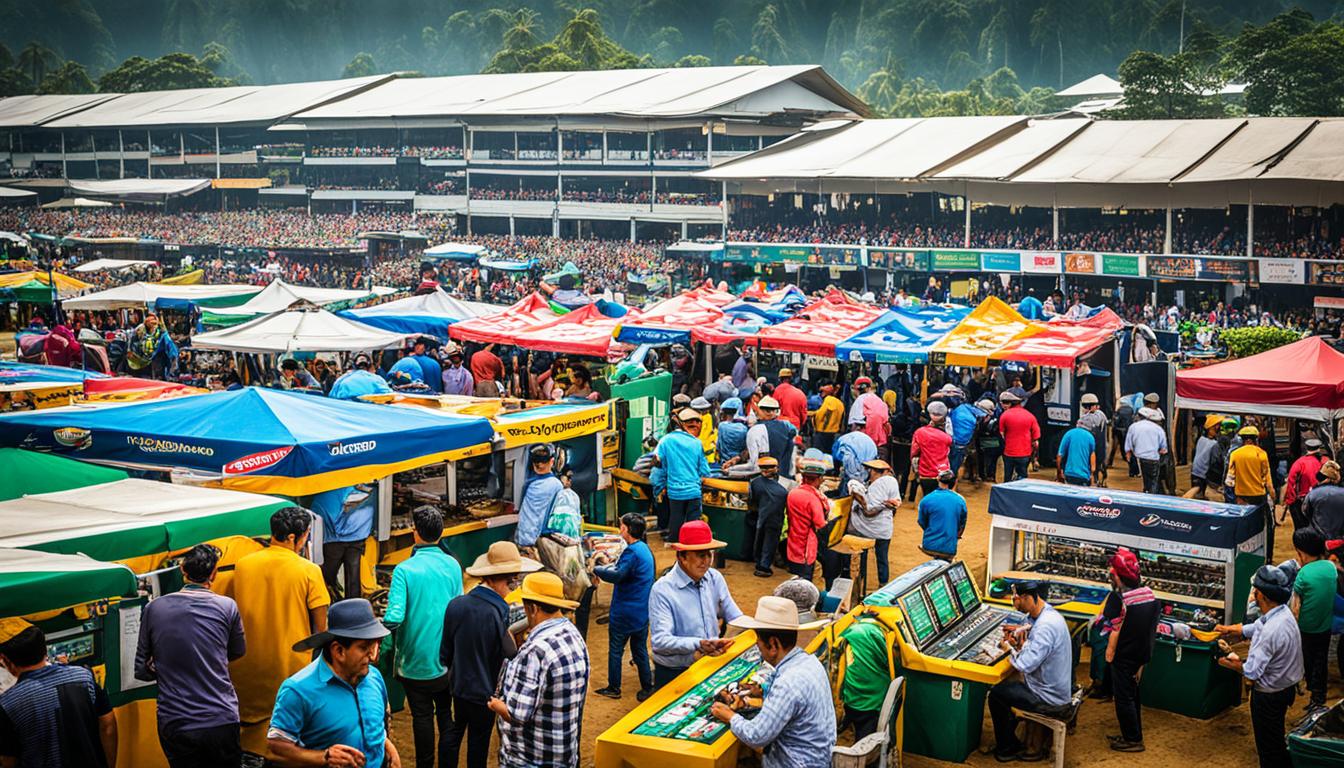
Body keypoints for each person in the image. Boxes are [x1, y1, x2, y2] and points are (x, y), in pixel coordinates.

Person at [135, 544, 246, 768]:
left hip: (176, 721)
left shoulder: (154, 608)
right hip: (221, 718)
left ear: (182, 571)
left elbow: (141, 670)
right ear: (214, 574)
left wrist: (167, 667)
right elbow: (237, 651)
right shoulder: (227, 607)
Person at [223, 506, 330, 728]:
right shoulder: (309, 570)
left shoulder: (244, 565)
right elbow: (321, 629)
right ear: (293, 538)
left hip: (244, 666)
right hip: (290, 667)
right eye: (306, 535)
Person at [441, 543, 542, 768]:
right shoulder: (497, 611)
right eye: (510, 581)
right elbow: (510, 653)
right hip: (486, 692)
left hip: (459, 686)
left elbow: (445, 653)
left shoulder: (456, 604)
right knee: (478, 743)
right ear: (496, 579)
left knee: (454, 731)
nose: (511, 587)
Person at [267, 598, 400, 768]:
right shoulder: (298, 690)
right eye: (364, 647)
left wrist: (387, 746)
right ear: (339, 651)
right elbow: (275, 749)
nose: (373, 656)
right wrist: (324, 757)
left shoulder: (374, 677)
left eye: (375, 646)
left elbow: (375, 724)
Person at [709, 597, 835, 768]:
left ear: (773, 644)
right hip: (817, 758)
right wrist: (747, 702)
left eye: (759, 641)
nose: (757, 647)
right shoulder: (809, 661)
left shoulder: (788, 682)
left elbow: (757, 736)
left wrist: (729, 716)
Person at [384, 507, 463, 768]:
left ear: (415, 533)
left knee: (422, 716)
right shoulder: (452, 565)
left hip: (414, 661)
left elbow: (394, 617)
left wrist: (380, 637)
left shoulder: (404, 570)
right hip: (447, 660)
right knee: (445, 713)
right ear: (440, 534)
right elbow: (458, 607)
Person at [488, 572, 589, 768]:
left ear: (533, 608)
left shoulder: (534, 651)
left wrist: (495, 704)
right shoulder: (572, 634)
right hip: (564, 753)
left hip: (532, 758)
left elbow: (517, 714)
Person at [1214, 566, 1302, 768]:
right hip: (1286, 688)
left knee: (1269, 748)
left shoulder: (1270, 632)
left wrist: (1230, 661)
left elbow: (1252, 672)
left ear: (1259, 594)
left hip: (1270, 696)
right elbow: (1258, 625)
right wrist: (1231, 629)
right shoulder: (1283, 613)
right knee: (1276, 739)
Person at [0, 621, 117, 768]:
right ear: (45, 650)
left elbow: (8, 760)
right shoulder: (85, 678)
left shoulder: (8, 704)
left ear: (6, 661)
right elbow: (108, 725)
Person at [648, 520, 743, 687]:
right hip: (675, 672)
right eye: (701, 555)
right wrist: (699, 644)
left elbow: (735, 617)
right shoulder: (663, 590)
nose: (706, 561)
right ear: (682, 557)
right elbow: (660, 641)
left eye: (709, 554)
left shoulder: (714, 578)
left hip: (708, 665)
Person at [987, 581, 1074, 762]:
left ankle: (1007, 748)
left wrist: (1007, 648)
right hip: (1053, 687)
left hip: (1048, 697)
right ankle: (1013, 738)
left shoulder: (1045, 627)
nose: (1015, 604)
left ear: (1027, 598)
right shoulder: (1047, 615)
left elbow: (1023, 665)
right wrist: (1020, 643)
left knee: (996, 694)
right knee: (1009, 686)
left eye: (1017, 600)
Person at [592, 513, 656, 701]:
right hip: (641, 612)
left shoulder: (632, 552)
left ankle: (614, 687)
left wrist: (596, 569)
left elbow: (618, 575)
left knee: (616, 650)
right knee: (639, 649)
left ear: (626, 529)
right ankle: (647, 685)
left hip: (625, 612)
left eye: (621, 526)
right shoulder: (643, 548)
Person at [1104, 549, 1159, 753]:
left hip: (1123, 655)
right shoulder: (1149, 596)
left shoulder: (1120, 599)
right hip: (1140, 654)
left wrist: (1110, 652)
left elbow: (1113, 628)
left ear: (1118, 576)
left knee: (1123, 697)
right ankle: (1132, 733)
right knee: (1133, 694)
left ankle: (1133, 740)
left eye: (1113, 575)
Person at [1289, 528, 1333, 714]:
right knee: (1321, 660)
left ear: (1301, 552)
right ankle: (1318, 697)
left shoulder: (1304, 574)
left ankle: (1304, 685)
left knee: (1306, 659)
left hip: (1306, 628)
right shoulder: (1330, 568)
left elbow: (1295, 608)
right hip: (1326, 626)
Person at [309, 483, 376, 600]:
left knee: (327, 576)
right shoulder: (367, 488)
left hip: (334, 540)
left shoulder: (329, 489)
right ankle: (353, 607)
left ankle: (329, 603)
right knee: (353, 576)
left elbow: (321, 513)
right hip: (358, 536)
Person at [656, 409, 712, 543]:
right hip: (693, 491)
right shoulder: (697, 443)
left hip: (675, 492)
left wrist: (660, 486)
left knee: (676, 519)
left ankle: (674, 545)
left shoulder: (666, 440)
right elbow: (705, 470)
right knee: (693, 522)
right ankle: (692, 544)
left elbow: (657, 463)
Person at [837, 617, 893, 740]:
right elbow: (891, 663)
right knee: (865, 742)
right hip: (873, 702)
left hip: (850, 699)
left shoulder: (850, 631)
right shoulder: (881, 635)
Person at [848, 458, 900, 584]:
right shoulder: (892, 482)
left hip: (865, 529)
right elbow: (894, 506)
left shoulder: (879, 484)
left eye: (871, 470)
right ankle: (882, 585)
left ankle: (861, 583)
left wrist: (859, 501)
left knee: (863, 557)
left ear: (879, 472)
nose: (869, 472)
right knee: (882, 558)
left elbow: (869, 512)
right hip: (884, 530)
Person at [1227, 426, 1276, 555]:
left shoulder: (1235, 454)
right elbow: (1268, 480)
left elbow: (1229, 481)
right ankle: (1267, 555)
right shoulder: (1261, 454)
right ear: (1255, 439)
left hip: (1241, 498)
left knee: (1242, 526)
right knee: (1266, 527)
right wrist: (1273, 496)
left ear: (1243, 439)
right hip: (1259, 497)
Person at [785, 457, 832, 580]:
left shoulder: (793, 493)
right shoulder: (813, 498)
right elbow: (820, 524)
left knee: (795, 575)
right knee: (805, 579)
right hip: (806, 545)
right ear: (819, 479)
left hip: (793, 540)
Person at [748, 456, 789, 577]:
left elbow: (752, 501)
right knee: (770, 543)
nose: (766, 470)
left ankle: (760, 564)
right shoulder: (786, 484)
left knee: (760, 540)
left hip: (762, 516)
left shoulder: (755, 483)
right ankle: (764, 567)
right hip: (776, 519)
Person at [516, 445, 563, 550]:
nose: (540, 464)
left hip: (524, 539)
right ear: (552, 461)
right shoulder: (557, 485)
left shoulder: (528, 484)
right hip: (541, 541)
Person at [916, 470, 968, 561]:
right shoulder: (960, 501)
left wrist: (932, 530)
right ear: (955, 482)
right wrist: (955, 536)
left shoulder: (926, 499)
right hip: (949, 548)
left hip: (928, 545)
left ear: (938, 480)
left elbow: (921, 521)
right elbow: (962, 524)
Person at [742, 396, 798, 478]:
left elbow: (753, 463)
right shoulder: (788, 426)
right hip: (785, 475)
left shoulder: (756, 429)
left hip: (763, 477)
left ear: (761, 410)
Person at [910, 401, 953, 501]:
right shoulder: (947, 438)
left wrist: (915, 471)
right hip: (942, 474)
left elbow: (914, 453)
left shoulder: (919, 433)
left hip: (925, 474)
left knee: (924, 501)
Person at [1125, 408, 1169, 495]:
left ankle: (1147, 492)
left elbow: (1128, 444)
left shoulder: (1133, 426)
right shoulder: (1158, 429)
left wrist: (1128, 454)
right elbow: (1163, 448)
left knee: (1146, 479)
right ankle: (1151, 495)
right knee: (1153, 480)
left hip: (1140, 458)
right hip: (1153, 458)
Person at [1284, 438, 1326, 530]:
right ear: (1319, 448)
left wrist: (1290, 500)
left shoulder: (1299, 463)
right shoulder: (1324, 462)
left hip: (1302, 501)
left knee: (1301, 529)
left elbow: (1291, 481)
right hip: (1320, 500)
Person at [999, 390, 1040, 483]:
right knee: (1023, 479)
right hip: (1025, 453)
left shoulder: (1004, 416)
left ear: (1011, 403)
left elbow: (1002, 434)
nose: (1003, 405)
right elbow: (1036, 438)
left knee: (1007, 479)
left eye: (1005, 402)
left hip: (1009, 453)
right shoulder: (1030, 416)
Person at [833, 416, 879, 487]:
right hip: (867, 475)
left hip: (851, 475)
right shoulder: (870, 441)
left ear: (854, 426)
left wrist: (836, 471)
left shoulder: (843, 439)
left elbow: (836, 457)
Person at [1185, 415, 1223, 499]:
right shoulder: (1214, 444)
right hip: (1203, 474)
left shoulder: (1201, 439)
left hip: (1195, 471)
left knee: (1197, 494)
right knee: (1198, 494)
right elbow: (1215, 461)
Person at [1305, 460, 1344, 539]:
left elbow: (1305, 511)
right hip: (1340, 535)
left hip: (1319, 534)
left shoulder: (1313, 493)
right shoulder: (1341, 492)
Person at [1077, 393, 1110, 486]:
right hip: (1101, 447)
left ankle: (1094, 481)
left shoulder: (1087, 418)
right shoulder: (1102, 414)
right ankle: (1101, 480)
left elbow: (1080, 427)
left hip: (1093, 448)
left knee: (1092, 467)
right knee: (1100, 465)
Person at [850, 377, 890, 451]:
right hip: (880, 443)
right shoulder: (879, 400)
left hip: (864, 443)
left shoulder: (859, 400)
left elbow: (856, 424)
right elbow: (886, 423)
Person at [1055, 418, 1097, 486]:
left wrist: (1059, 473)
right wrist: (1092, 477)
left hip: (1069, 474)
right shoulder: (1091, 437)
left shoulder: (1069, 434)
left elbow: (1059, 456)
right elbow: (1093, 464)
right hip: (1084, 477)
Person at [974, 397, 1003, 484]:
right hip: (982, 444)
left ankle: (990, 476)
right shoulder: (979, 419)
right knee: (981, 458)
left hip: (992, 444)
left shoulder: (994, 421)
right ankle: (982, 475)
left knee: (990, 459)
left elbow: (991, 433)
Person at [811, 382, 845, 453]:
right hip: (834, 434)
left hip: (822, 432)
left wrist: (814, 422)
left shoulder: (828, 400)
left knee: (818, 456)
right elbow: (843, 418)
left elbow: (820, 414)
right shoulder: (840, 403)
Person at [716, 397, 749, 464]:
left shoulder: (722, 426)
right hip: (740, 461)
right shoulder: (744, 428)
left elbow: (718, 446)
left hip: (724, 462)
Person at [690, 396, 717, 461]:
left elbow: (702, 437)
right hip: (709, 452)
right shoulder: (710, 417)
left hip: (703, 452)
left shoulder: (703, 419)